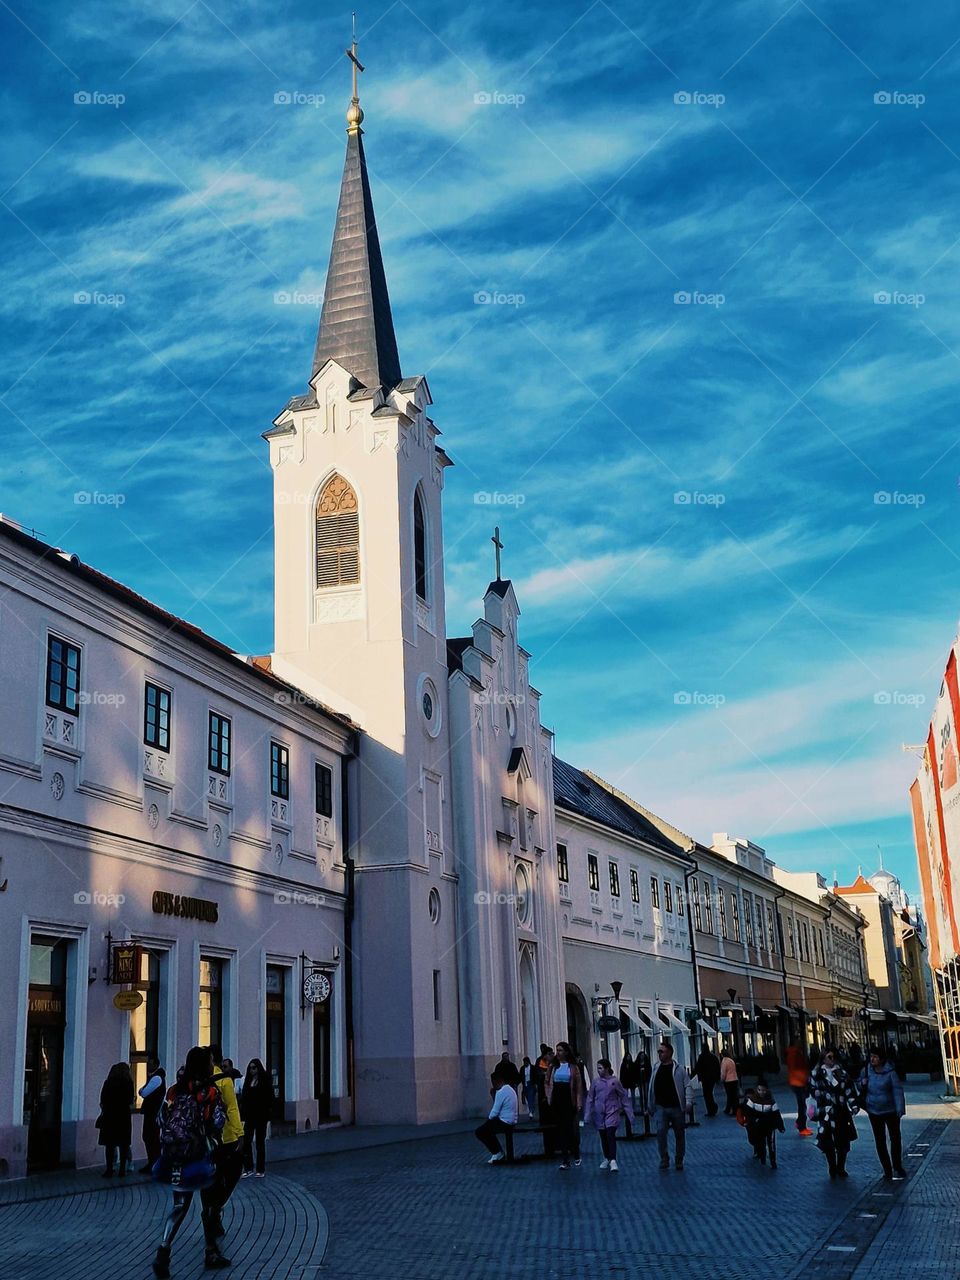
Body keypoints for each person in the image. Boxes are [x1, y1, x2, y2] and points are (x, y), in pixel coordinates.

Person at [151, 1046, 229, 1277]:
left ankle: (163, 1251)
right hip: (200, 1156)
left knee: (179, 1206)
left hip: (175, 1156)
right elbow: (216, 1122)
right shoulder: (208, 1092)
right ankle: (211, 1250)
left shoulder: (175, 1091)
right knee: (210, 1205)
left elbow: (160, 1119)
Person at [202, 1045, 245, 1241]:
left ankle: (209, 1211)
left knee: (210, 1177)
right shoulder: (224, 1081)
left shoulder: (200, 1081)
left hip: (205, 1138)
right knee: (233, 1172)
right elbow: (232, 1109)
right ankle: (216, 1208)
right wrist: (240, 1134)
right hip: (226, 1137)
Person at [809, 1046, 860, 1179]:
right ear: (823, 1058)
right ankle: (832, 1167)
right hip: (825, 1112)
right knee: (827, 1141)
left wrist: (853, 1105)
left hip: (840, 1111)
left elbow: (849, 1090)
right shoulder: (817, 1073)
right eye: (829, 1057)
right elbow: (811, 1089)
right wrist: (816, 1093)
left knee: (843, 1140)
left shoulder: (842, 1073)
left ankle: (841, 1167)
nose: (832, 1060)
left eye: (833, 1057)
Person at [858, 1046, 906, 1181]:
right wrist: (862, 1083)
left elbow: (897, 1091)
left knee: (895, 1138)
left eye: (875, 1057)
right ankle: (887, 1170)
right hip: (873, 1110)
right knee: (880, 1141)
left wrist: (899, 1108)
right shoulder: (866, 1071)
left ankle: (897, 1165)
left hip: (890, 1110)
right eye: (871, 1056)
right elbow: (858, 1086)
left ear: (882, 1059)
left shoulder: (890, 1073)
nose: (872, 1059)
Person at [648, 1041, 693, 1171]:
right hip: (660, 1107)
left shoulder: (679, 1069)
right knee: (661, 1132)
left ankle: (679, 1159)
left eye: (661, 1051)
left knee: (679, 1134)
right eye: (658, 1051)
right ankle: (664, 1158)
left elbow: (687, 1086)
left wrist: (688, 1102)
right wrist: (650, 1105)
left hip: (676, 1107)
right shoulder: (656, 1067)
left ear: (669, 1053)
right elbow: (651, 1087)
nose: (659, 1054)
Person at [584, 1058, 634, 1171]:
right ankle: (607, 1157)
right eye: (597, 1068)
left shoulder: (614, 1082)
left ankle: (613, 1160)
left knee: (610, 1134)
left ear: (607, 1069)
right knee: (603, 1136)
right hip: (599, 1113)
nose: (598, 1070)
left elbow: (623, 1097)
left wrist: (629, 1114)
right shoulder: (595, 1082)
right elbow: (590, 1098)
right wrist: (587, 1114)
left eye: (600, 1068)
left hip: (612, 1111)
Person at [545, 1042, 584, 1169]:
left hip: (569, 1099)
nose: (558, 1053)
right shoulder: (553, 1066)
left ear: (566, 1052)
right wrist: (549, 1096)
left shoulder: (573, 1067)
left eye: (561, 1050)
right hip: (557, 1098)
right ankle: (565, 1159)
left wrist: (578, 1103)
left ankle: (576, 1153)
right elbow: (547, 1081)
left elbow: (578, 1086)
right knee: (561, 1129)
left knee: (570, 1129)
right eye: (557, 1050)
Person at [97, 1062, 134, 1178]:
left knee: (109, 1145)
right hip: (123, 1117)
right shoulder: (129, 1083)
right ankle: (122, 1169)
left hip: (110, 1116)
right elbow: (130, 1100)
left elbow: (102, 1099)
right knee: (123, 1144)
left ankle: (109, 1169)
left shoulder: (108, 1083)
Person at [475, 1067, 519, 1163]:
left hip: (504, 1122)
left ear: (496, 1081)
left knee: (480, 1131)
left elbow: (494, 1112)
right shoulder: (510, 1089)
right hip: (512, 1121)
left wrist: (489, 1119)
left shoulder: (501, 1091)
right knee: (487, 1128)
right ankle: (498, 1151)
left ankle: (497, 1152)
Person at [240, 1058, 275, 1178]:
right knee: (247, 1141)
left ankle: (260, 1169)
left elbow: (270, 1097)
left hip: (261, 1116)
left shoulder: (264, 1080)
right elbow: (244, 1097)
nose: (252, 1070)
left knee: (260, 1142)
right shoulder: (248, 1081)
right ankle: (248, 1167)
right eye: (250, 1068)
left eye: (254, 1068)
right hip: (250, 1115)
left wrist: (267, 1113)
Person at [743, 1077, 785, 1168]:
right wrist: (752, 1122)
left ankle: (773, 1161)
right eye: (759, 1090)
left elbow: (776, 1114)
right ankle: (762, 1158)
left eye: (763, 1090)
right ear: (757, 1090)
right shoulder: (753, 1100)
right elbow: (748, 1113)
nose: (762, 1092)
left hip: (770, 1125)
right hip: (759, 1125)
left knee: (771, 1143)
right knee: (761, 1142)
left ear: (767, 1090)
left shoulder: (771, 1101)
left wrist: (780, 1126)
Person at [139, 1056, 167, 1173]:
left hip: (153, 1113)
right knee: (149, 1137)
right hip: (151, 1112)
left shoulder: (156, 1078)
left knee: (151, 1138)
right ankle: (152, 1163)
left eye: (150, 1063)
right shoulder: (155, 1077)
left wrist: (142, 1090)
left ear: (156, 1064)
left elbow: (144, 1092)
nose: (148, 1066)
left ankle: (154, 1163)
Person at [784, 1041, 813, 1136]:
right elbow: (797, 1069)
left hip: (797, 1081)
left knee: (802, 1104)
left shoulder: (794, 1054)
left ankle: (800, 1122)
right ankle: (802, 1127)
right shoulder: (795, 1054)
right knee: (802, 1105)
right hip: (799, 1082)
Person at [691, 1044, 721, 1117]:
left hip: (705, 1079)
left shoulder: (702, 1057)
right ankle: (712, 1108)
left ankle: (711, 1109)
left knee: (707, 1095)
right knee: (710, 1094)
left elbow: (698, 1067)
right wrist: (717, 1078)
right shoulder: (713, 1057)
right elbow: (717, 1068)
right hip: (712, 1079)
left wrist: (691, 1076)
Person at [635, 1049, 653, 1137]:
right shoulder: (637, 1064)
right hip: (639, 1080)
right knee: (642, 1095)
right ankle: (643, 1107)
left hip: (645, 1080)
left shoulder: (646, 1063)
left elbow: (649, 1070)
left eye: (643, 1055)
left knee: (646, 1094)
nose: (642, 1057)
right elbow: (634, 1071)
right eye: (641, 1055)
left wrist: (648, 1077)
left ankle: (646, 1107)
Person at [720, 1050, 740, 1116]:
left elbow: (723, 1073)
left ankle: (728, 1109)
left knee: (729, 1096)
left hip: (728, 1081)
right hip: (735, 1079)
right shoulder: (731, 1060)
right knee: (734, 1096)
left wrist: (722, 1080)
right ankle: (735, 1109)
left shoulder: (724, 1061)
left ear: (722, 1055)